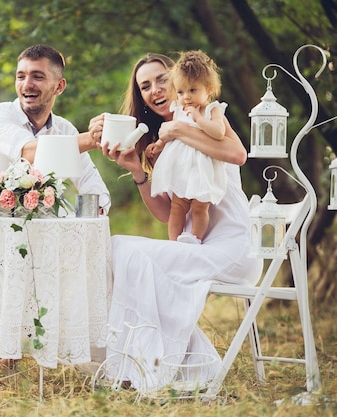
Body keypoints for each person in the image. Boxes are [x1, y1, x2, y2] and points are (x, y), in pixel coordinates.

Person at [89, 53, 262, 392]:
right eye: (145, 86)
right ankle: (163, 363)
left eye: (161, 80)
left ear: (182, 81)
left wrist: (179, 129)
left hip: (234, 249)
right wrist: (138, 171)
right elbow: (168, 213)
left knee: (127, 251)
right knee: (115, 248)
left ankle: (169, 366)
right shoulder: (165, 146)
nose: (155, 90)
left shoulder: (207, 119)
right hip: (197, 247)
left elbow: (238, 155)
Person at [0, 44, 111, 308]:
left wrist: (90, 212)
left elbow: (92, 185)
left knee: (75, 279)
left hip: (35, 242)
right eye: (21, 76)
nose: (27, 84)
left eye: (38, 76)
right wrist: (92, 139)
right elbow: (29, 151)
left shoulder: (64, 129)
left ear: (59, 86)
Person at [146, 50, 228, 244]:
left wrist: (199, 118)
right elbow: (171, 134)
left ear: (208, 89)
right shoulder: (178, 109)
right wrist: (158, 145)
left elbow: (218, 132)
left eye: (192, 90)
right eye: (181, 92)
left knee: (200, 208)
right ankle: (175, 242)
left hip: (202, 169)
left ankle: (194, 238)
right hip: (182, 168)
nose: (186, 97)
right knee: (177, 207)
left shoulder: (212, 109)